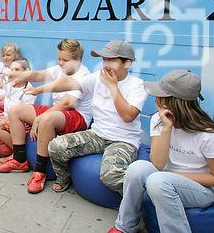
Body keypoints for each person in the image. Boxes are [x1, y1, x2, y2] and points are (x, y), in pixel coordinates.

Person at [32, 40, 147, 194]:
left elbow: (128, 116)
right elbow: (72, 84)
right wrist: (40, 89)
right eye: (104, 59)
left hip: (123, 140)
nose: (106, 64)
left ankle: (140, 200)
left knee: (111, 176)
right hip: (97, 134)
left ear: (126, 64)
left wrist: (113, 87)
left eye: (111, 60)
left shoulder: (137, 85)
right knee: (55, 146)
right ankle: (64, 177)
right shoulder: (97, 78)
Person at [109, 70, 214, 233]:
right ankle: (125, 226)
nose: (156, 98)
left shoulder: (207, 134)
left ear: (174, 102)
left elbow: (213, 178)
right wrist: (167, 128)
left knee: (158, 181)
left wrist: (173, 176)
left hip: (200, 189)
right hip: (165, 177)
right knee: (137, 168)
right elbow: (158, 163)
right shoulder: (159, 120)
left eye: (160, 95)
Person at [0, 39, 92, 194]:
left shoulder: (83, 75)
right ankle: (19, 160)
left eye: (65, 60)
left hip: (77, 115)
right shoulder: (60, 68)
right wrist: (17, 74)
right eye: (59, 58)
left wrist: (39, 119)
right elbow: (40, 74)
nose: (60, 63)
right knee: (15, 110)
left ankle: (39, 173)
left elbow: (67, 103)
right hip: (58, 111)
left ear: (78, 60)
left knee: (46, 119)